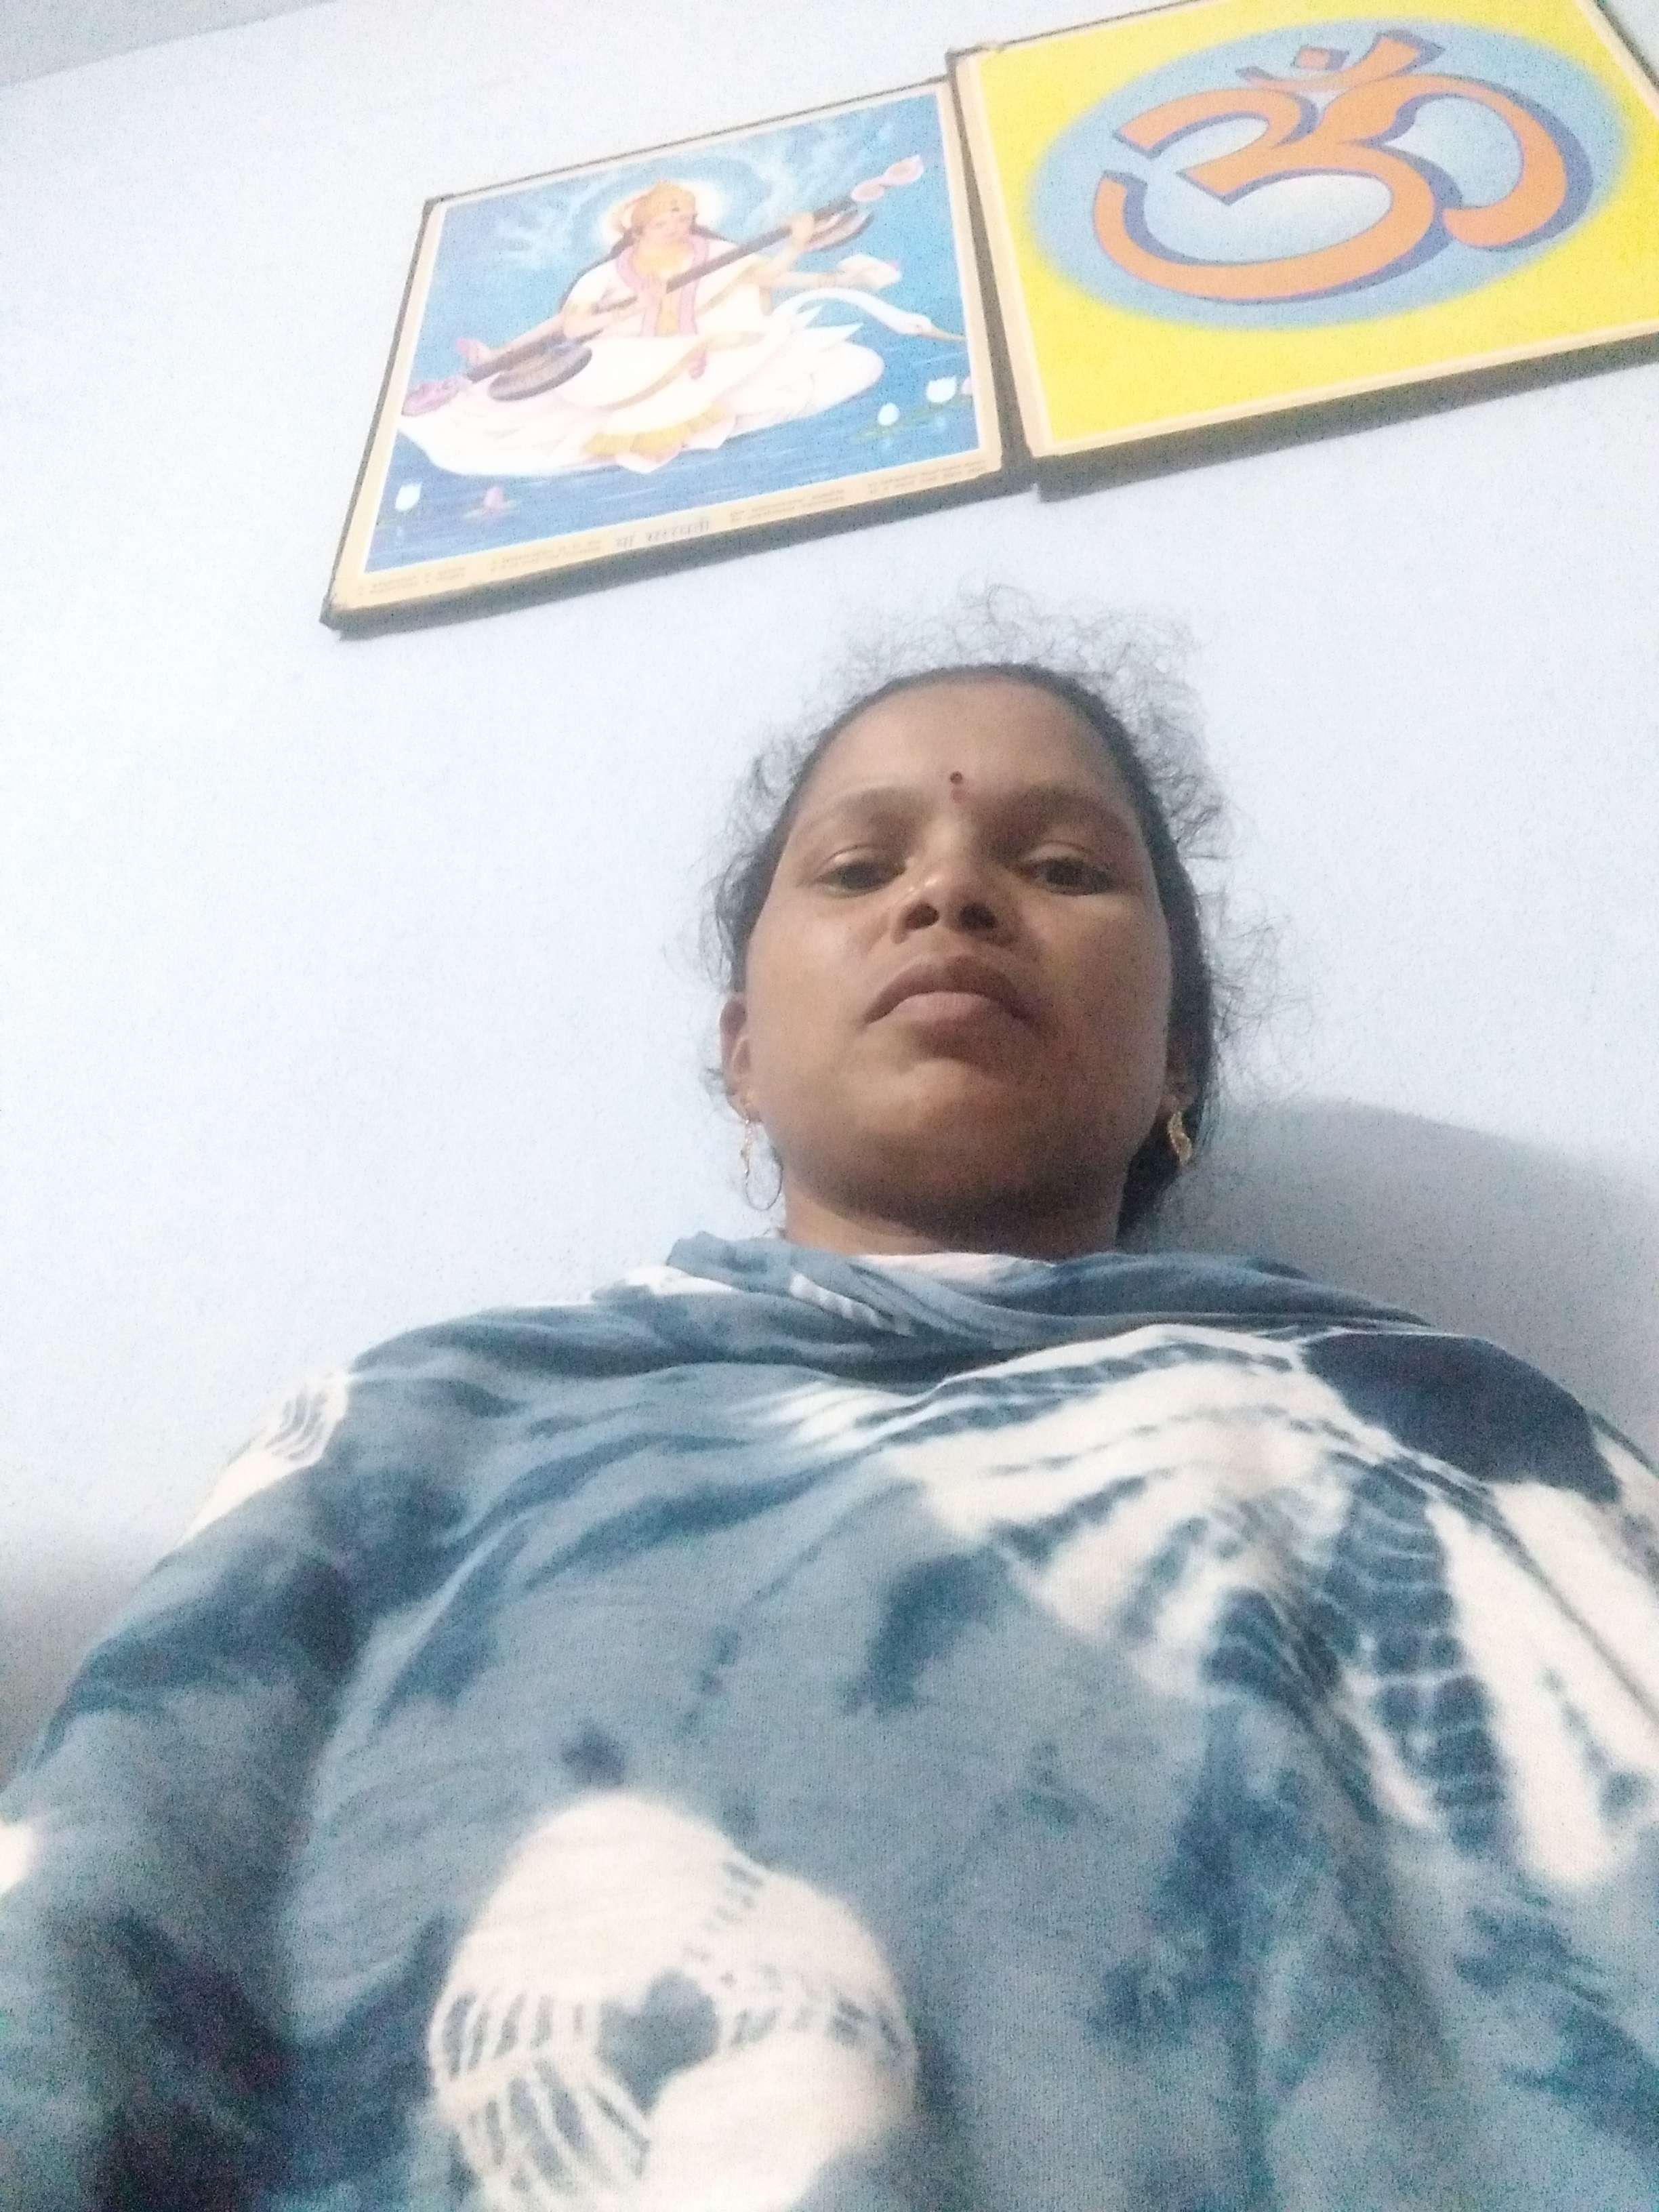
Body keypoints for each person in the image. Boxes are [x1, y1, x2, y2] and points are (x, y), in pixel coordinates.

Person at [4, 644, 1659, 2211]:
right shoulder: (408, 1440)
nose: (950, 895)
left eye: (1061, 866)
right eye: (862, 868)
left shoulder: (1450, 1436)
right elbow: (82, 1939)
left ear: (1177, 1058)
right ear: (742, 1051)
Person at [398, 178, 911, 478]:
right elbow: (573, 325)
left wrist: (798, 241)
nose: (677, 228)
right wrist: (628, 311)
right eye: (665, 222)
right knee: (596, 374)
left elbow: (767, 276)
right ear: (640, 228)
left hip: (697, 349)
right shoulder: (609, 273)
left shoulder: (713, 252)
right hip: (628, 360)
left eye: (684, 218)